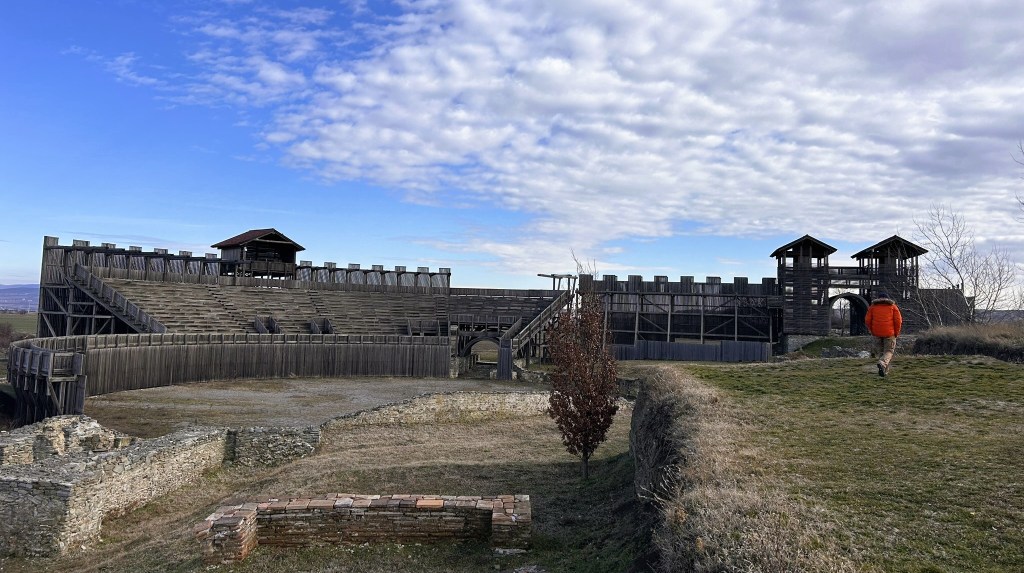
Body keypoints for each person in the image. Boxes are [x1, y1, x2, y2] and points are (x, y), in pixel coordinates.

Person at [864, 291, 902, 377]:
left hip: (877, 333)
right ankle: (882, 363)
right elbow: (898, 321)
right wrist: (896, 333)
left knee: (881, 352)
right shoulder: (893, 307)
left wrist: (872, 330)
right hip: (889, 333)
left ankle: (884, 371)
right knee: (889, 351)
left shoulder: (872, 307)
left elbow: (867, 320)